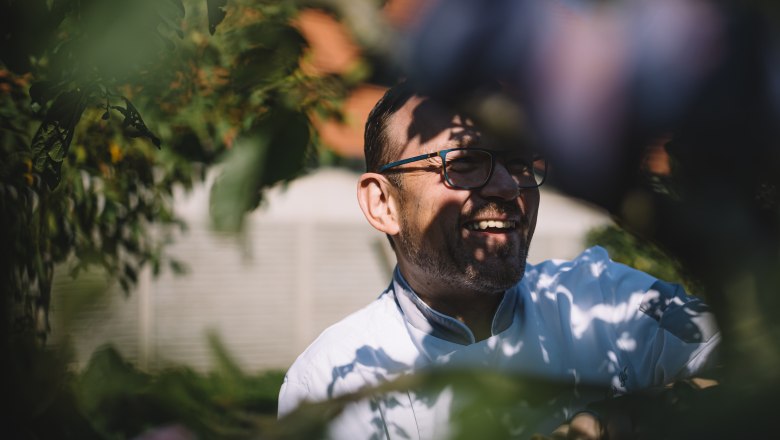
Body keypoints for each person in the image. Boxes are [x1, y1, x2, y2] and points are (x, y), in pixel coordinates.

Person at [277, 81, 719, 439]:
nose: (509, 188)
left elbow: (754, 371)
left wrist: (627, 419)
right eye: (465, 162)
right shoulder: (330, 380)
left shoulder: (599, 296)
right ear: (382, 204)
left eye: (521, 162)